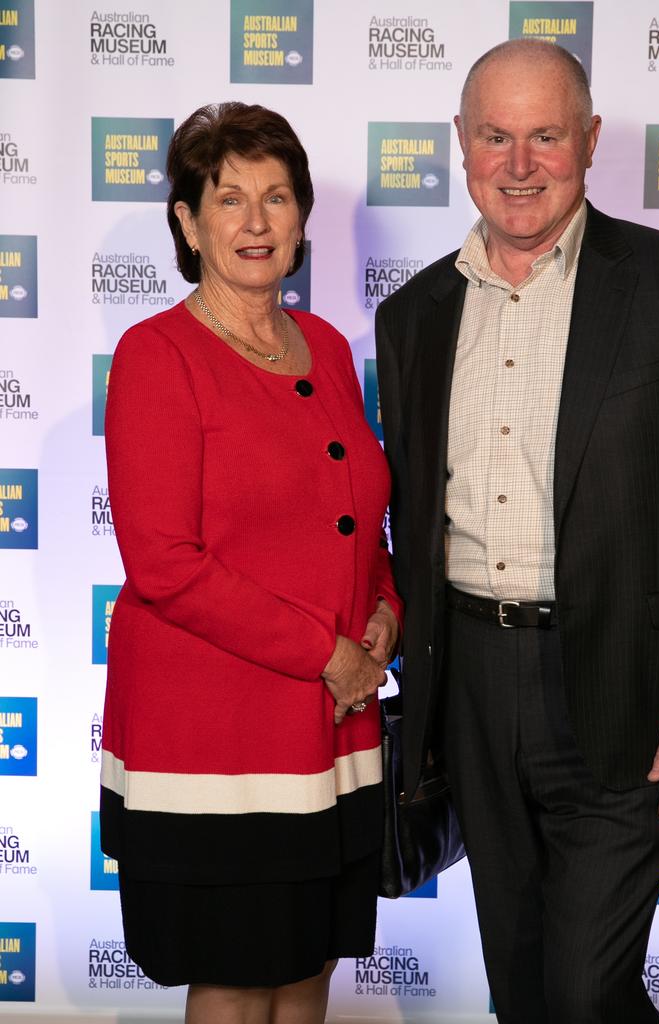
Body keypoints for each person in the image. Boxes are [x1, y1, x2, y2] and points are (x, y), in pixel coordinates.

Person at [375, 39, 659, 1024]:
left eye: (545, 136)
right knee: (525, 987)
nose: (518, 164)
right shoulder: (414, 314)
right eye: (495, 137)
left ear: (589, 142)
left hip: (630, 692)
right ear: (460, 145)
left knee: (583, 991)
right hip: (468, 687)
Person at [100, 101, 401, 1024]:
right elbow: (165, 566)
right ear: (188, 224)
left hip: (330, 733)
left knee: (310, 964)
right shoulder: (157, 356)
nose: (257, 221)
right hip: (217, 742)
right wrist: (331, 653)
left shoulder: (333, 355)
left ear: (304, 218)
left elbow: (361, 521)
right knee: (234, 977)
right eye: (229, 198)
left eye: (277, 197)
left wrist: (388, 614)